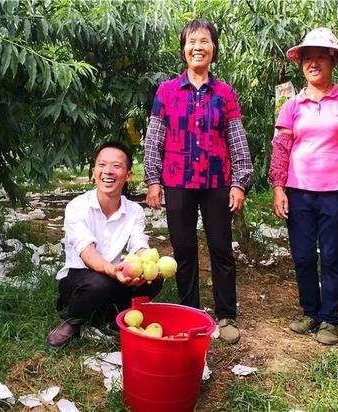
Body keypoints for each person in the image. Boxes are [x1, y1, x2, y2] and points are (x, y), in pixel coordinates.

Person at [144, 19, 253, 344]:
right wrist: (153, 179)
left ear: (214, 49)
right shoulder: (166, 91)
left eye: (204, 41)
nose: (198, 47)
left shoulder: (224, 93)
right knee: (184, 249)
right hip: (177, 180)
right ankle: (189, 312)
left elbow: (236, 140)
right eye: (192, 41)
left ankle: (226, 314)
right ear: (183, 49)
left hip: (217, 180)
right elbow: (154, 139)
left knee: (221, 248)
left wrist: (239, 181)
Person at [269, 28, 338, 345]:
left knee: (331, 257)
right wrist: (278, 187)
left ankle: (328, 318)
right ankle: (310, 313)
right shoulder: (291, 105)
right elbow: (281, 149)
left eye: (320, 58)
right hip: (299, 193)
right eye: (308, 59)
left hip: (336, 193)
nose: (313, 64)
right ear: (301, 64)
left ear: (333, 62)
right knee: (302, 256)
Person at [47, 142, 163, 347]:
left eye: (116, 166)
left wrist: (149, 265)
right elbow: (86, 252)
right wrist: (111, 270)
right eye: (102, 165)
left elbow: (138, 243)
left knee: (153, 280)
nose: (107, 171)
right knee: (99, 283)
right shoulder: (77, 207)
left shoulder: (134, 210)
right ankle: (72, 320)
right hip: (81, 278)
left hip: (115, 275)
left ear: (128, 175)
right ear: (94, 172)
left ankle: (109, 317)